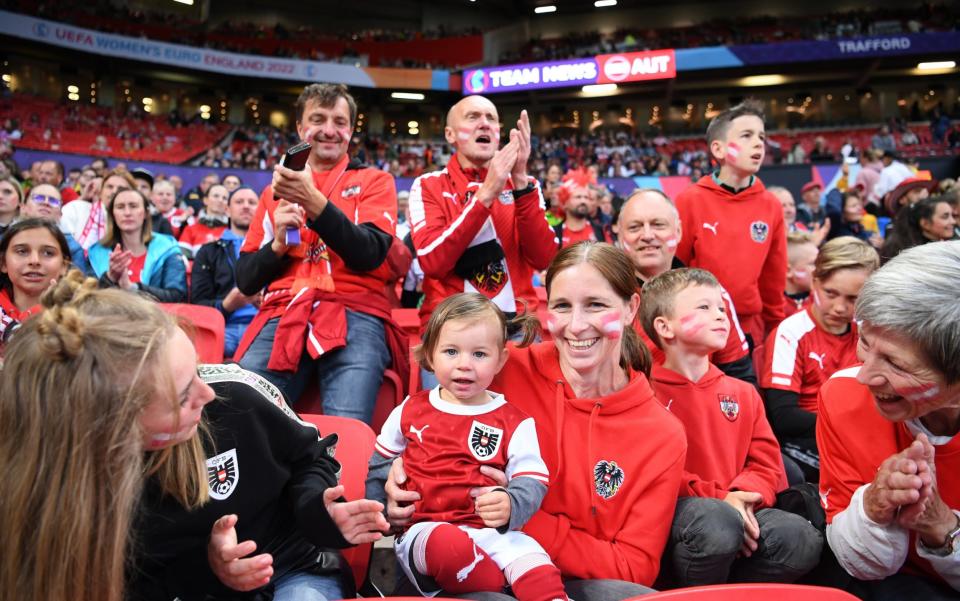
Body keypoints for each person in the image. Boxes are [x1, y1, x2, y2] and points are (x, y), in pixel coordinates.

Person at [0, 271, 389, 601]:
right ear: (110, 428)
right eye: (182, 394)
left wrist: (316, 510)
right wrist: (209, 570)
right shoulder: (49, 507)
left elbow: (310, 456)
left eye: (197, 370)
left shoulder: (236, 394)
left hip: (291, 569)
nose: (207, 394)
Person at [385, 242, 685, 600]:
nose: (576, 326)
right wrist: (396, 476)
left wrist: (519, 513)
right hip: (465, 566)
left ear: (630, 308)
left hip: (559, 577)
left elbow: (632, 568)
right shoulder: (495, 369)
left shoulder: (661, 433)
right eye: (561, 306)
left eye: (596, 305)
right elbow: (418, 429)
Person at [368, 293, 568, 601]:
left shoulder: (514, 421)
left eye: (479, 354)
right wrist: (383, 510)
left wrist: (512, 503)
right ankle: (493, 585)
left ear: (500, 359)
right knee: (445, 545)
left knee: (536, 566)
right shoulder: (410, 409)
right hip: (425, 529)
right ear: (430, 356)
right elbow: (380, 463)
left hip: (491, 532)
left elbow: (532, 479)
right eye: (451, 351)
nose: (464, 365)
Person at [235, 83, 407, 424]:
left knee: (346, 428)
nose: (329, 130)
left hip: (356, 311)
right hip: (285, 310)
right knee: (241, 413)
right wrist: (278, 246)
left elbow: (369, 253)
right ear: (300, 128)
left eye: (339, 121)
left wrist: (312, 201)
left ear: (351, 130)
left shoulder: (375, 181)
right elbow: (245, 279)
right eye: (318, 119)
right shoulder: (274, 192)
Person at [640, 268, 821, 586]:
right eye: (704, 308)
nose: (720, 315)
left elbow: (766, 462)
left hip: (742, 510)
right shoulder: (643, 392)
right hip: (683, 519)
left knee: (799, 537)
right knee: (717, 525)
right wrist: (723, 500)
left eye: (722, 308)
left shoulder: (743, 392)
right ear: (664, 327)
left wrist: (743, 498)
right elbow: (652, 471)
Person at [817, 240, 960, 600]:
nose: (865, 376)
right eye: (864, 342)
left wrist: (943, 527)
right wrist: (873, 507)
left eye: (896, 363)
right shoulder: (843, 396)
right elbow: (861, 566)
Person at [408, 95, 556, 331]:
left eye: (491, 118)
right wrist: (486, 194)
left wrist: (519, 181)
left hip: (517, 326)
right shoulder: (428, 185)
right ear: (450, 135)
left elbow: (545, 259)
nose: (484, 123)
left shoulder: (526, 185)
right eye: (473, 117)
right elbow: (433, 263)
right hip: (450, 326)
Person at [761, 236, 879, 482]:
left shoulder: (869, 332)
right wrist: (848, 427)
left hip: (860, 434)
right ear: (815, 282)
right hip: (808, 441)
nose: (839, 307)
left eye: (852, 299)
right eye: (831, 293)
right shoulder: (791, 332)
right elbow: (783, 417)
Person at [674, 99, 787, 347]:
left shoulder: (771, 205)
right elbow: (674, 272)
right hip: (697, 328)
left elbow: (774, 277)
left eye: (761, 137)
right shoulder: (689, 201)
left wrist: (775, 329)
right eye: (746, 135)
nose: (758, 143)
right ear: (719, 150)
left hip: (750, 330)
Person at [616, 189, 753, 383]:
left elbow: (738, 372)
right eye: (635, 227)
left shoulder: (711, 292)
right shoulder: (608, 296)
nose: (647, 235)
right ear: (620, 236)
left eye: (658, 224)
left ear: (678, 231)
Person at [192, 186, 261, 357]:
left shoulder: (274, 249)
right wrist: (225, 306)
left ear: (260, 210)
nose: (246, 206)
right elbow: (197, 303)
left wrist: (266, 303)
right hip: (221, 327)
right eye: (239, 202)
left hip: (262, 326)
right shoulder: (208, 251)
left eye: (252, 202)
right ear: (227, 210)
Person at [85, 188, 187, 302]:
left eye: (133, 206)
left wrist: (132, 288)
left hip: (155, 318)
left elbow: (177, 296)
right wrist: (110, 278)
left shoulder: (167, 248)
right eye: (120, 207)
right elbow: (88, 299)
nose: (127, 213)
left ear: (146, 213)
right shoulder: (97, 252)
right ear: (113, 215)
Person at [0, 218, 70, 353]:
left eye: (48, 253)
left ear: (64, 266)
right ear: (3, 263)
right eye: (22, 251)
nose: (34, 261)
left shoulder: (79, 318)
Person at [60, 167, 135, 250]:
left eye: (121, 189)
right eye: (109, 187)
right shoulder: (75, 208)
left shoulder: (133, 222)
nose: (114, 191)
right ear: (101, 191)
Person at [881, 196, 957, 263]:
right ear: (925, 224)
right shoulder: (916, 255)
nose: (953, 221)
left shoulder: (943, 246)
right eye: (945, 217)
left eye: (952, 216)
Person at [553, 168, 604, 248]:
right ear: (565, 203)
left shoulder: (600, 231)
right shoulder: (554, 234)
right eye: (578, 197)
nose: (583, 201)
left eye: (586, 197)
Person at [179, 183, 229, 258]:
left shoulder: (232, 231)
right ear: (205, 200)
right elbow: (183, 261)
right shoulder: (190, 229)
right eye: (216, 196)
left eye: (224, 198)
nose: (220, 200)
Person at [783, 231, 818, 318]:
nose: (821, 268)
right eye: (813, 264)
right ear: (788, 271)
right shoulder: (772, 306)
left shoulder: (820, 302)